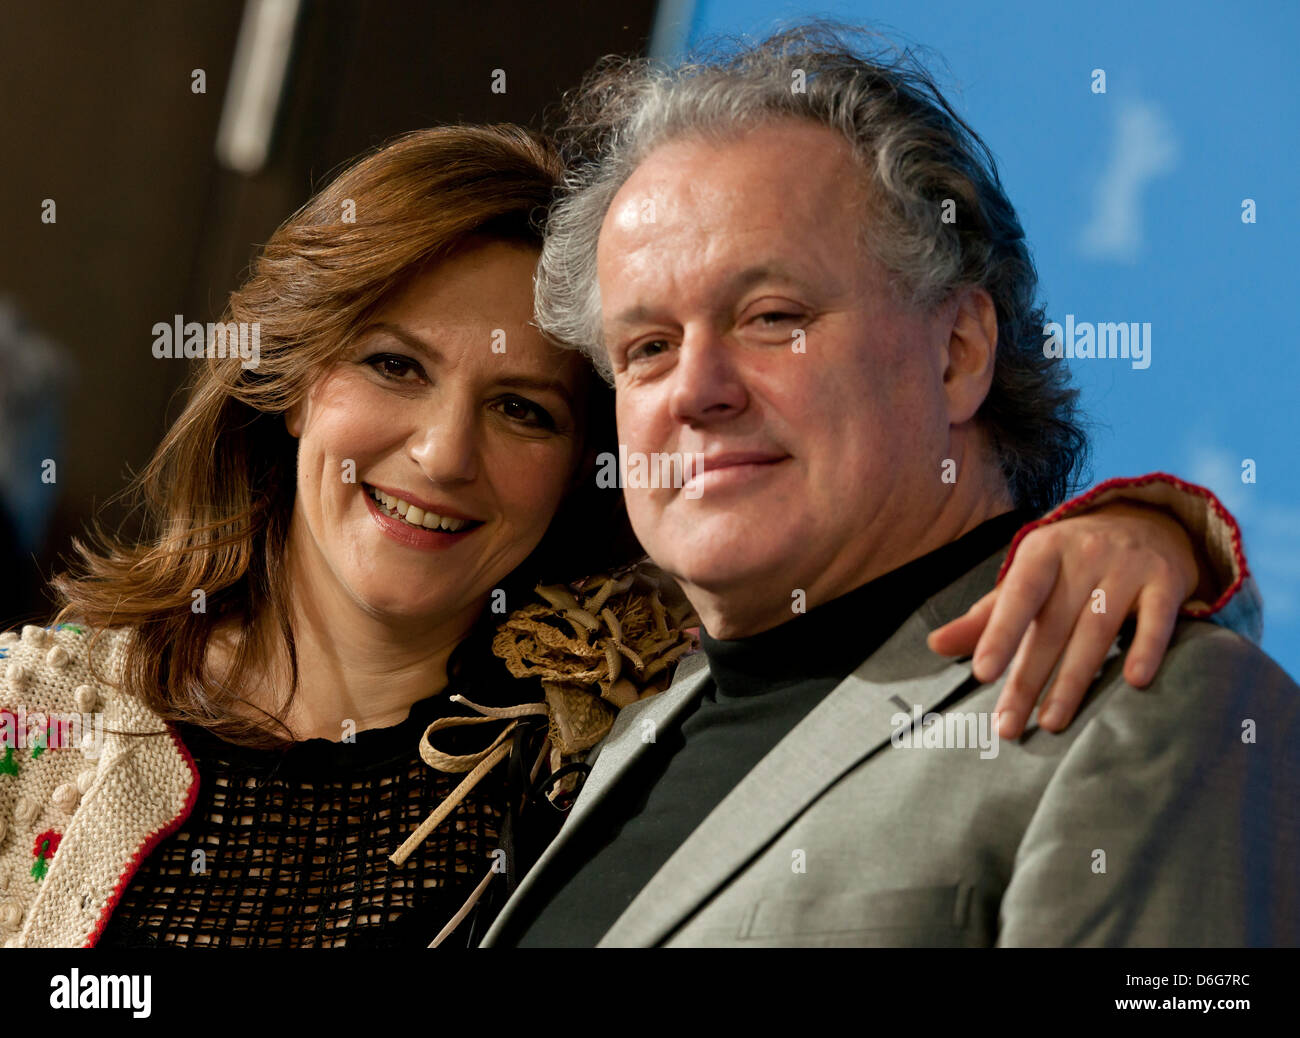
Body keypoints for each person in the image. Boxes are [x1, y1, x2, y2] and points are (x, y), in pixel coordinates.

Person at [0, 121, 1258, 949]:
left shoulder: (613, 718)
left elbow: (921, 632)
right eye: (390, 365)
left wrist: (1157, 532)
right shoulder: (32, 716)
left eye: (521, 408)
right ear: (288, 385)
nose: (443, 454)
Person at [480, 26, 1296, 947]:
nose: (697, 391)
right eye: (648, 348)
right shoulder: (627, 741)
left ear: (959, 353)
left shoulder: (1149, 706)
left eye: (771, 317)